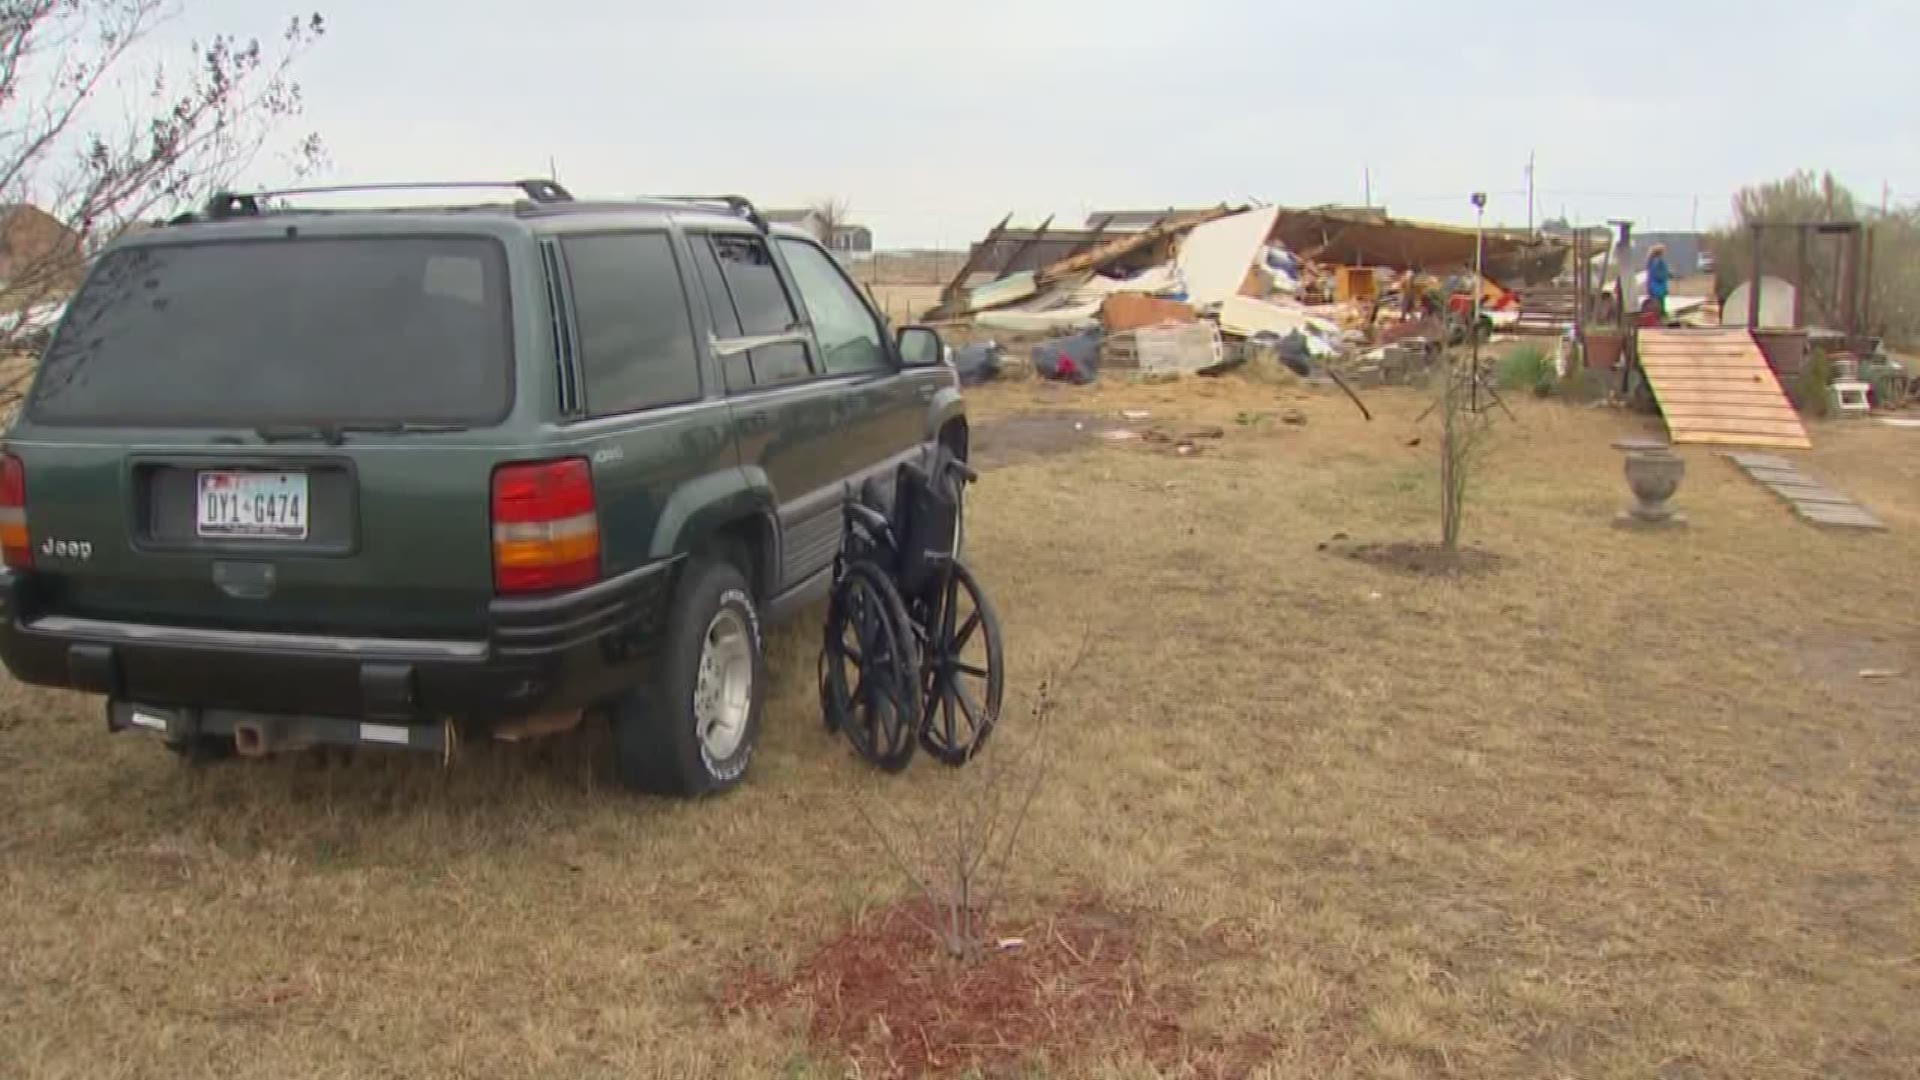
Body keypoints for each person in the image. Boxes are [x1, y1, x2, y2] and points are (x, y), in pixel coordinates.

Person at [1645, 243, 1671, 320]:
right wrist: (1667, 274)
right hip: (1658, 287)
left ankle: (1659, 318)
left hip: (1654, 286)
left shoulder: (1652, 261)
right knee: (1659, 305)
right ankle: (1659, 319)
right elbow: (1657, 274)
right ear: (1660, 252)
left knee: (1658, 304)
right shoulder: (1657, 261)